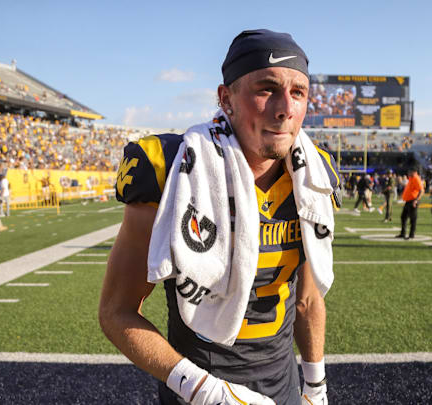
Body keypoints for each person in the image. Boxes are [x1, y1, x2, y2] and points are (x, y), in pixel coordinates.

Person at [99, 29, 338, 405]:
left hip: (284, 387)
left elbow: (307, 300)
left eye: (298, 92)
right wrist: (205, 391)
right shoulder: (170, 170)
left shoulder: (312, 175)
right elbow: (117, 312)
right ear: (226, 98)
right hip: (197, 389)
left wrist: (316, 386)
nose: (285, 109)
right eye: (266, 89)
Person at [396, 167, 424, 240]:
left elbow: (421, 190)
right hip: (408, 201)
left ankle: (411, 234)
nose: (408, 173)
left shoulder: (416, 178)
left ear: (414, 172)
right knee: (403, 217)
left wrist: (416, 200)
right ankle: (403, 233)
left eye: (410, 171)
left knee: (412, 218)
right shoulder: (412, 178)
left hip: (413, 201)